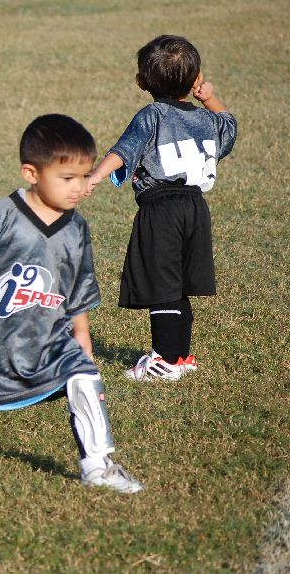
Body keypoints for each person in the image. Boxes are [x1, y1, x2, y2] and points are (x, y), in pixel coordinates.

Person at [0, 114, 143, 494]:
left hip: (46, 339)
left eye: (85, 176)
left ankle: (98, 466)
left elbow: (78, 284)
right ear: (31, 173)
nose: (79, 187)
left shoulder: (76, 228)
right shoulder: (2, 217)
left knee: (83, 375)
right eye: (67, 178)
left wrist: (82, 334)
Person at [86, 35, 237, 381]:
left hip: (161, 209)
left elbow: (124, 150)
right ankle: (180, 356)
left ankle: (165, 360)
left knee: (162, 284)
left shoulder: (152, 115)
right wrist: (210, 98)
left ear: (141, 82)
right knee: (178, 283)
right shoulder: (206, 119)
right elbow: (229, 126)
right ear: (196, 78)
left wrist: (95, 176)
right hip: (196, 208)